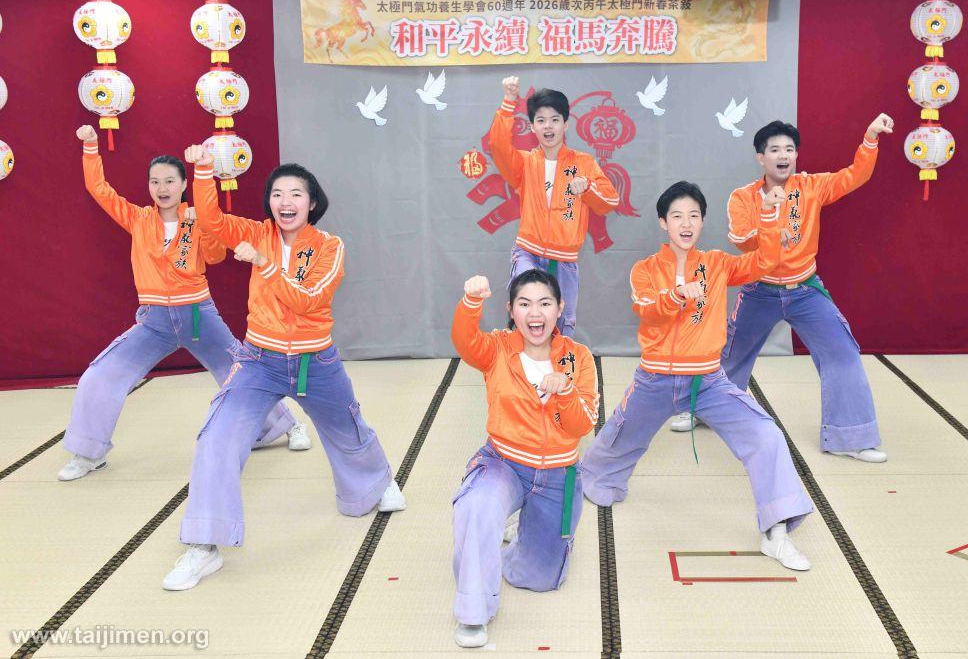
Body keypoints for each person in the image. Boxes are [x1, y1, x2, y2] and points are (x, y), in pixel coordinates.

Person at [161, 145, 404, 591]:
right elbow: (211, 220)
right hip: (258, 360)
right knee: (217, 436)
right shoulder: (257, 232)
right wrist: (202, 170)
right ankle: (204, 545)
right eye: (277, 194)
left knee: (348, 429)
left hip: (316, 362)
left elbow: (308, 300)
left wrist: (264, 264)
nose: (285, 202)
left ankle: (375, 483)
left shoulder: (330, 247)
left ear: (312, 202)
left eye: (295, 194)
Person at [580, 181, 815, 571]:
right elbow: (646, 308)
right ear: (663, 222)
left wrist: (770, 215)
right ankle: (557, 500)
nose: (686, 224)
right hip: (655, 380)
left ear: (703, 221)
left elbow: (765, 261)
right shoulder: (645, 269)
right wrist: (676, 296)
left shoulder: (719, 263)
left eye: (693, 216)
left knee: (767, 435)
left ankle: (776, 534)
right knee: (607, 453)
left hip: (708, 382)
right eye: (677, 216)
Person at [59, 126, 309, 483]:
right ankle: (87, 453)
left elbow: (215, 256)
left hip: (196, 314)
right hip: (153, 320)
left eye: (169, 181)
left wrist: (202, 225)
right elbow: (99, 189)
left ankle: (288, 425)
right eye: (155, 182)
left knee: (240, 370)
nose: (162, 189)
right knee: (101, 374)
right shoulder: (139, 219)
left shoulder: (196, 217)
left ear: (183, 185)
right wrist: (90, 145)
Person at [675, 115, 893, 464]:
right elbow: (743, 241)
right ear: (760, 157)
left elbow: (855, 175)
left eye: (789, 149)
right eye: (774, 149)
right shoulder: (743, 197)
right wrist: (769, 217)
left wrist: (870, 138)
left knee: (842, 352)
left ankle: (849, 437)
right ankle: (706, 412)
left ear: (796, 155)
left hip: (805, 289)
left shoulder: (811, 187)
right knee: (730, 353)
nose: (783, 155)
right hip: (759, 291)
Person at [450, 269, 598, 647]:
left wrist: (564, 392)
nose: (535, 313)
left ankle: (519, 540)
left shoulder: (579, 358)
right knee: (477, 505)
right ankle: (473, 612)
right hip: (503, 463)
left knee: (540, 578)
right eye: (525, 304)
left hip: (558, 475)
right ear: (511, 310)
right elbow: (465, 341)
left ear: (560, 308)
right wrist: (471, 303)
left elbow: (582, 425)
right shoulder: (497, 348)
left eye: (545, 303)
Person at [488, 76, 620, 337]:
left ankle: (560, 364)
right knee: (527, 310)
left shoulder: (583, 163)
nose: (548, 126)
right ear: (532, 127)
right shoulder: (524, 163)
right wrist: (508, 102)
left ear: (565, 124)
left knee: (562, 324)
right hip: (528, 251)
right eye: (541, 120)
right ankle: (520, 361)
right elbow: (498, 146)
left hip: (564, 259)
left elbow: (610, 201)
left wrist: (588, 188)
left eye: (555, 119)